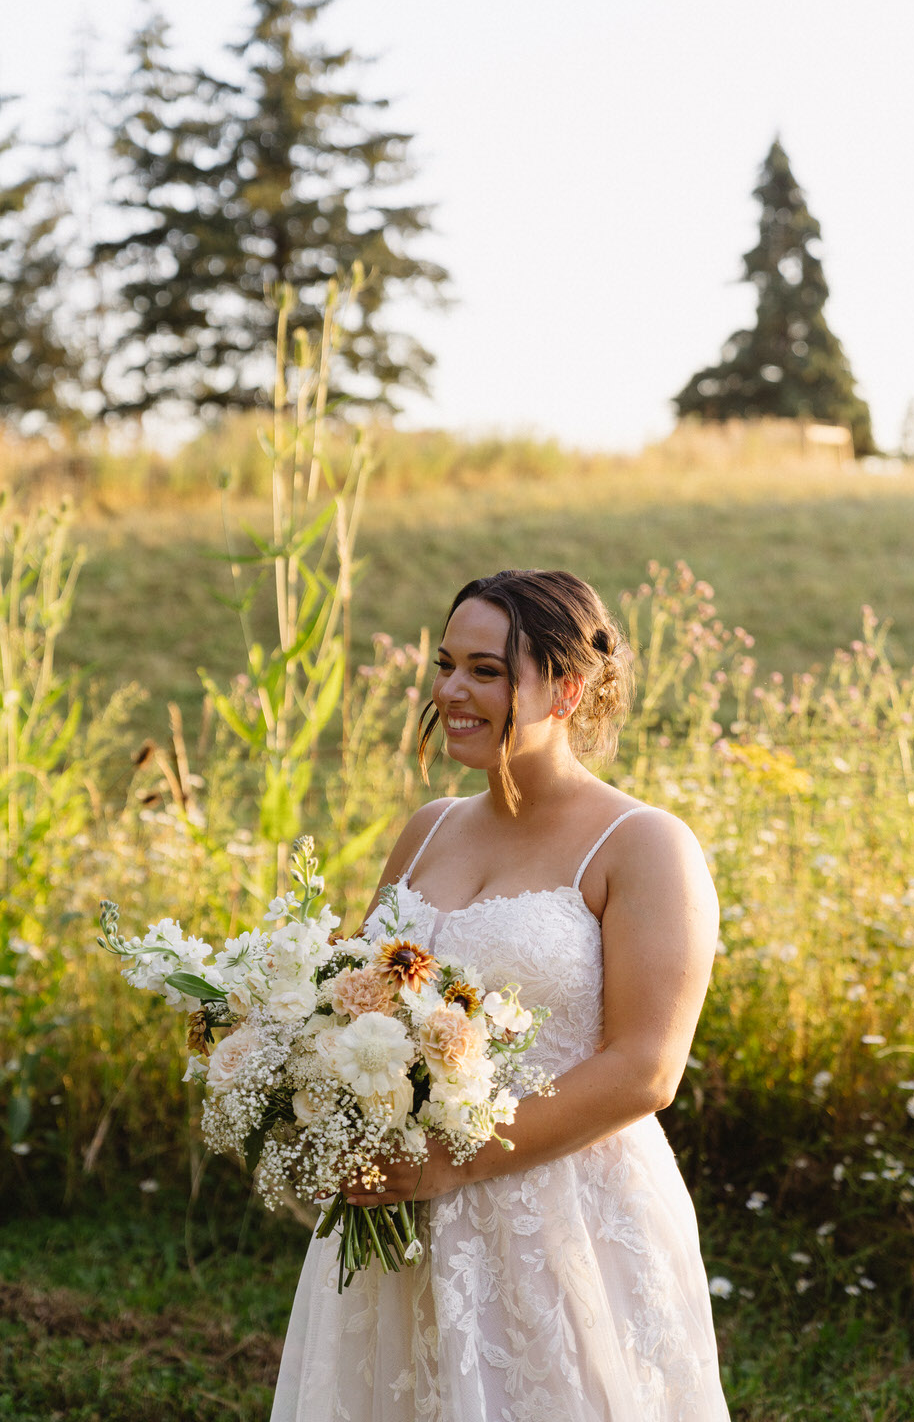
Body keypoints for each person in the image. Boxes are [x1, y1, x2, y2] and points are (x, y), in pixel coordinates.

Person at [271, 568, 729, 1422]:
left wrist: (443, 1164)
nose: (450, 690)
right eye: (446, 664)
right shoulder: (429, 827)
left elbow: (644, 1069)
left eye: (486, 671)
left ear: (566, 687)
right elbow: (356, 999)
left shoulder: (646, 846)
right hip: (400, 1220)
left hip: (562, 1223)